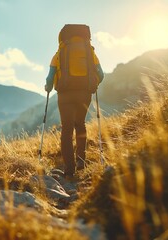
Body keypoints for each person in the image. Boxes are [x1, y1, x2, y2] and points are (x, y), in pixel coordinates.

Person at [45, 24, 104, 178]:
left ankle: (69, 168)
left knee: (66, 129)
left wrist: (48, 87)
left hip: (65, 95)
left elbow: (50, 78)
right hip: (84, 93)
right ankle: (81, 161)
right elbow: (101, 74)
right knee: (80, 124)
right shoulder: (89, 51)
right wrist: (94, 83)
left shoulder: (59, 52)